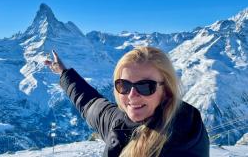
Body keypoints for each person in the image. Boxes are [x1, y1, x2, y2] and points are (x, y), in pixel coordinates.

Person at [44, 46, 209, 157]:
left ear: (165, 90)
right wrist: (64, 73)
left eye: (145, 86)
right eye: (123, 85)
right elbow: (90, 103)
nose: (132, 95)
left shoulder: (182, 143)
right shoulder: (120, 123)